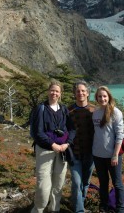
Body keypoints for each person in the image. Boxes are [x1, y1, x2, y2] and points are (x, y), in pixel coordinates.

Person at [31, 79, 76, 213]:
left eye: (57, 91)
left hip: (62, 150)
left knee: (58, 183)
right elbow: (36, 132)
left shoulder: (63, 109)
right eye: (52, 90)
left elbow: (72, 129)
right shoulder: (41, 109)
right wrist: (52, 144)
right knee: (43, 185)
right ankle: (38, 209)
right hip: (45, 150)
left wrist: (68, 143)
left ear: (60, 93)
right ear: (48, 91)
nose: (54, 93)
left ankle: (54, 209)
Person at [92, 86, 124, 213]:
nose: (102, 98)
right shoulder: (95, 112)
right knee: (103, 182)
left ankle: (120, 209)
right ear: (96, 98)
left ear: (109, 97)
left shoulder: (116, 112)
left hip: (112, 155)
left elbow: (120, 135)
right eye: (100, 96)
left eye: (104, 96)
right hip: (98, 154)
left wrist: (115, 154)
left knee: (117, 184)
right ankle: (103, 206)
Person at [68, 80, 95, 213]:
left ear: (88, 93)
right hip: (74, 153)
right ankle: (79, 210)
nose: (80, 93)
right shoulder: (68, 111)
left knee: (85, 182)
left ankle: (79, 203)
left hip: (90, 153)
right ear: (74, 93)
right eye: (78, 91)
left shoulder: (94, 110)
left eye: (83, 91)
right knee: (77, 182)